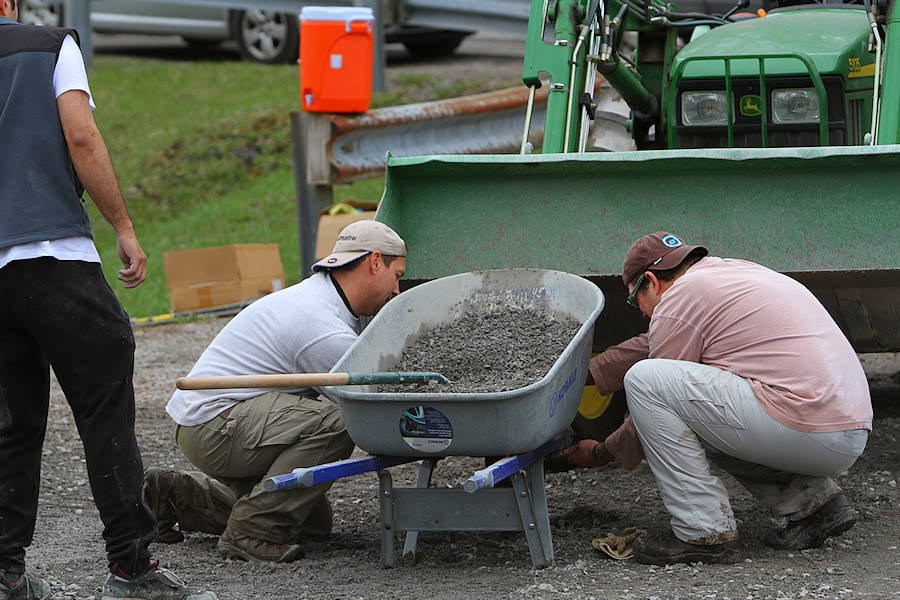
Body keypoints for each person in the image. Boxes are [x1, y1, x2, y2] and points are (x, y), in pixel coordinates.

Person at [0, 3, 215, 599]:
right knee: (104, 408)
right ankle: (131, 569)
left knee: (12, 424)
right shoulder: (49, 46)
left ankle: (5, 572)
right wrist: (123, 226)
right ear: (8, 5)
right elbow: (81, 134)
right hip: (53, 255)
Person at [565, 231, 872, 566]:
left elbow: (652, 403)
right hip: (846, 430)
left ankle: (703, 533)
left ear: (650, 281)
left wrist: (601, 452)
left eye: (633, 299)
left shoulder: (680, 297)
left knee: (646, 381)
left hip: (807, 426)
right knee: (698, 412)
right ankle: (816, 504)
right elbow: (651, 343)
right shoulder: (730, 274)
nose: (640, 312)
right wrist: (583, 373)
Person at [146, 220, 407, 563]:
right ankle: (251, 532)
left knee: (311, 523)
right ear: (375, 262)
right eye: (397, 276)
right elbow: (369, 407)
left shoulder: (330, 299)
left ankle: (177, 495)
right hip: (214, 425)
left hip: (223, 420)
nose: (398, 290)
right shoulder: (321, 326)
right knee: (342, 421)